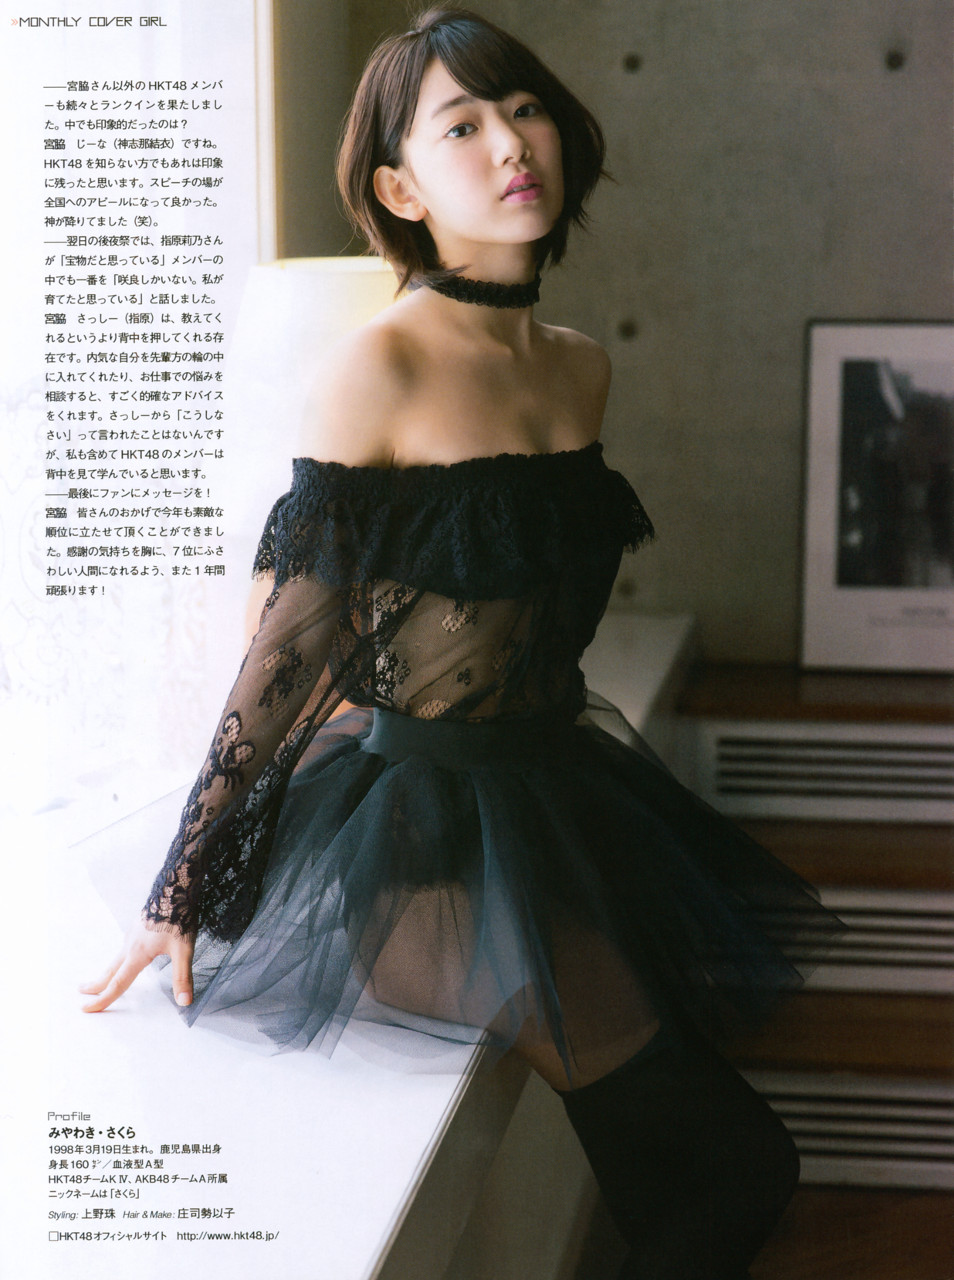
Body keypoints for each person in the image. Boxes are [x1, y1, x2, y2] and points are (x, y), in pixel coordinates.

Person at [80, 9, 840, 1277]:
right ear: (400, 188)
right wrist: (185, 886)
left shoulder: (579, 367)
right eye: (463, 124)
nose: (511, 143)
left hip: (554, 795)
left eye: (524, 108)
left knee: (699, 1173)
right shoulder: (373, 367)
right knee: (735, 1162)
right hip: (424, 838)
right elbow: (293, 645)